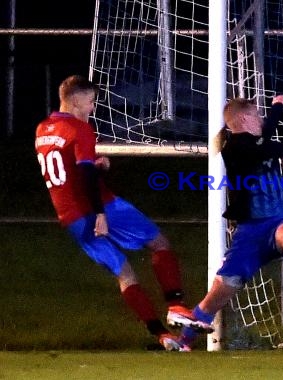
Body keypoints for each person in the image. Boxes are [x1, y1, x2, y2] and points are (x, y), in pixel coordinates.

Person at [35, 75, 194, 351]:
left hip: (70, 217)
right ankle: (176, 305)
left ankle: (162, 335)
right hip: (102, 206)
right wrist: (100, 213)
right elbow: (83, 173)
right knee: (159, 243)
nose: (93, 108)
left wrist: (95, 166)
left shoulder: (43, 128)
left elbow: (68, 168)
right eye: (90, 101)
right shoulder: (80, 129)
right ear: (75, 100)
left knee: (125, 274)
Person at [177, 94, 283, 348]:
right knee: (221, 290)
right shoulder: (235, 148)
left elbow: (267, 132)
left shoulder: (256, 139)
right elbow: (269, 147)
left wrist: (278, 106)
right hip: (249, 231)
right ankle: (183, 342)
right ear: (245, 119)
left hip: (279, 219)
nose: (260, 119)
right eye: (257, 115)